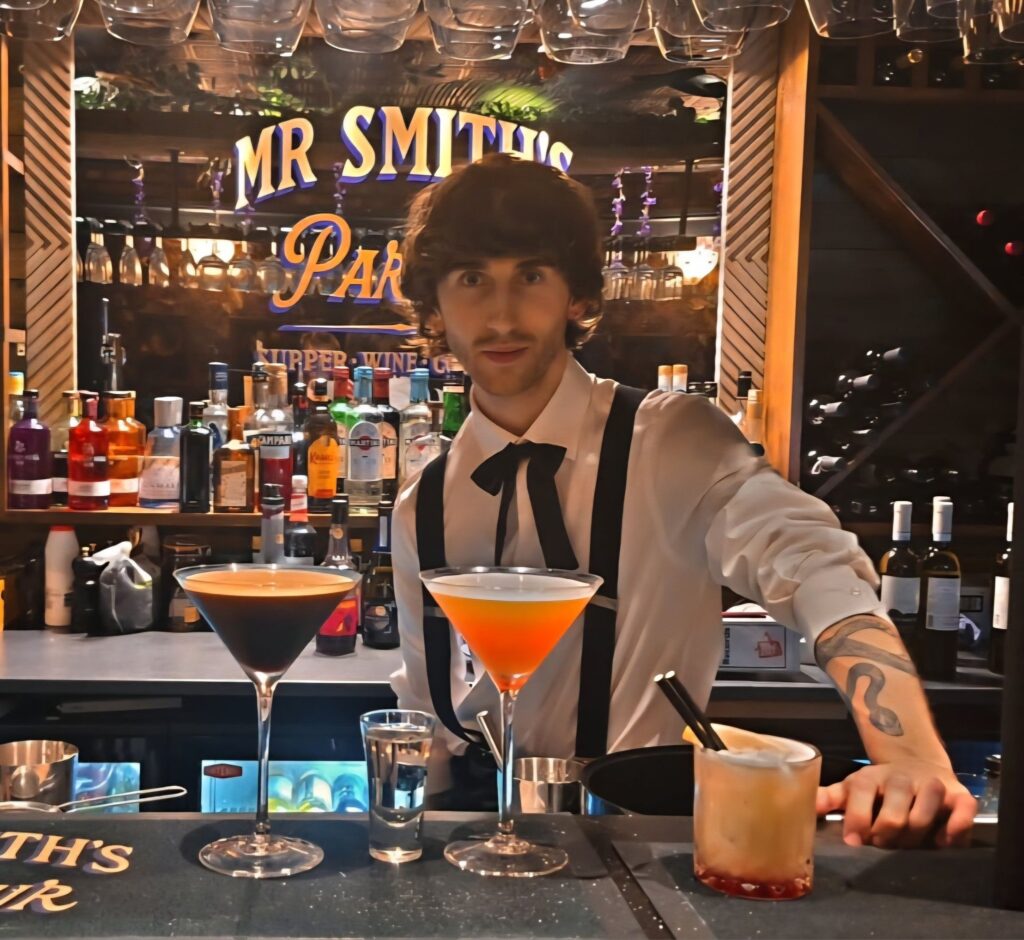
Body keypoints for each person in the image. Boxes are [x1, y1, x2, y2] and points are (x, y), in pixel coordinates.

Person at [390, 153, 976, 849]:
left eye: (532, 275)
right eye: (471, 279)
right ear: (435, 308)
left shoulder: (670, 439)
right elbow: (428, 713)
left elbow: (814, 566)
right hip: (478, 840)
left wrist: (909, 757)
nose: (502, 314)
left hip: (644, 836)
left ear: (577, 296)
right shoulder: (424, 505)